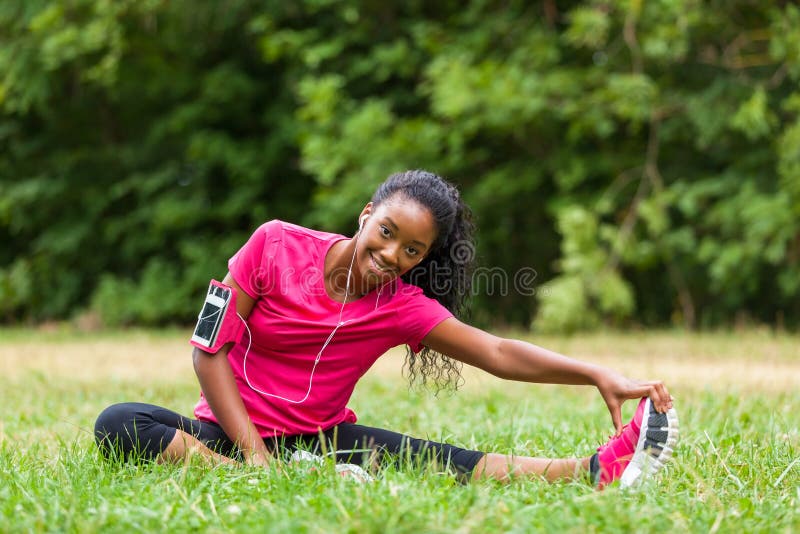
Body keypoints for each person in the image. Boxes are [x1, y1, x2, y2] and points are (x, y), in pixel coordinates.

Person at [94, 170, 679, 488]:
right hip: (227, 432)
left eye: (413, 250)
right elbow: (208, 351)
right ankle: (246, 476)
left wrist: (596, 373)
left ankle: (594, 471)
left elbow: (499, 352)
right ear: (365, 218)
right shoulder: (273, 244)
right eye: (388, 232)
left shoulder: (401, 306)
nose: (392, 253)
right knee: (120, 422)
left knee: (444, 459)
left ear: (421, 260)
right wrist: (254, 461)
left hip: (321, 440)